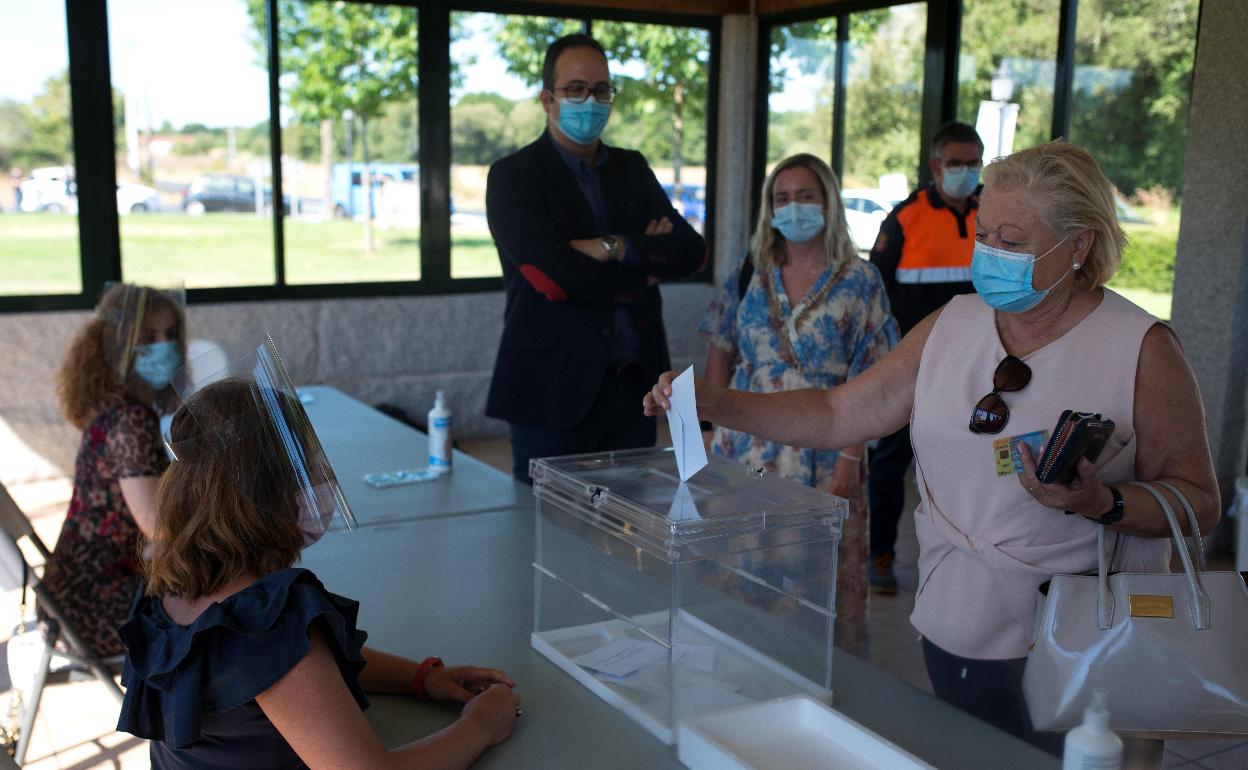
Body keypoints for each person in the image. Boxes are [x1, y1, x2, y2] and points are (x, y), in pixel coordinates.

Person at [646, 141, 1220, 752]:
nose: (992, 253)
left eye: (1014, 241)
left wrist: (1101, 501)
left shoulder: (1141, 348)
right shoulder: (954, 324)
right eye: (985, 233)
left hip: (1082, 642)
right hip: (954, 627)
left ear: (1078, 245)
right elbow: (840, 411)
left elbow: (1198, 504)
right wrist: (717, 402)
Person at [116, 357, 522, 768]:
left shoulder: (169, 586)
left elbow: (299, 669)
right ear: (268, 494)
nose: (318, 482)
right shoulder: (265, 623)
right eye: (304, 471)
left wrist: (422, 677)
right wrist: (481, 727)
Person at [699, 153, 898, 655]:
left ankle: (815, 675)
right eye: (781, 199)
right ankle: (742, 662)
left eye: (805, 196)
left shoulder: (859, 280)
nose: (793, 208)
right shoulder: (750, 273)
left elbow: (874, 376)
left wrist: (853, 456)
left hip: (828, 445)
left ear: (828, 202)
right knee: (741, 559)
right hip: (743, 444)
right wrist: (707, 427)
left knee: (815, 574)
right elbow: (721, 347)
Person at [485, 33, 706, 483]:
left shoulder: (632, 167)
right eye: (576, 89)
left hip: (634, 392)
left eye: (602, 89)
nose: (591, 100)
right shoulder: (514, 176)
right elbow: (555, 278)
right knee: (545, 535)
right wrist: (643, 270)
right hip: (551, 393)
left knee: (628, 536)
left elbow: (690, 252)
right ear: (548, 99)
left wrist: (615, 247)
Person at [866, 121, 984, 594]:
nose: (967, 171)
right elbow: (877, 291)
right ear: (936, 165)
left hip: (976, 367)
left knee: (969, 462)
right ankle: (881, 553)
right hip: (911, 365)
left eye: (974, 161)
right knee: (892, 462)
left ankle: (967, 558)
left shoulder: (992, 213)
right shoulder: (904, 218)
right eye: (957, 162)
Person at [40, 283, 186, 657]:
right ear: (116, 346)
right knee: (237, 607)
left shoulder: (118, 410)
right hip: (95, 608)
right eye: (148, 337)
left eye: (170, 335)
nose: (165, 347)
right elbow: (159, 526)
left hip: (73, 600)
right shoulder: (129, 421)